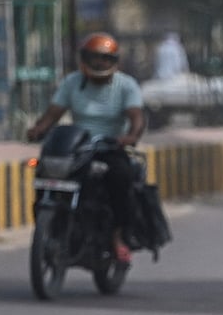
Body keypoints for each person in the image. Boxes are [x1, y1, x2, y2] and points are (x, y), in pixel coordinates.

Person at [26, 32, 145, 264]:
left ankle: (119, 236)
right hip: (76, 146)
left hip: (109, 147)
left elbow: (136, 117)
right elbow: (53, 114)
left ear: (113, 61)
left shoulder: (126, 85)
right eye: (93, 58)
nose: (99, 63)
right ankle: (51, 224)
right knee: (46, 171)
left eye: (104, 58)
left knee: (121, 177)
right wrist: (38, 129)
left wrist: (130, 136)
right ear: (84, 59)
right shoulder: (72, 82)